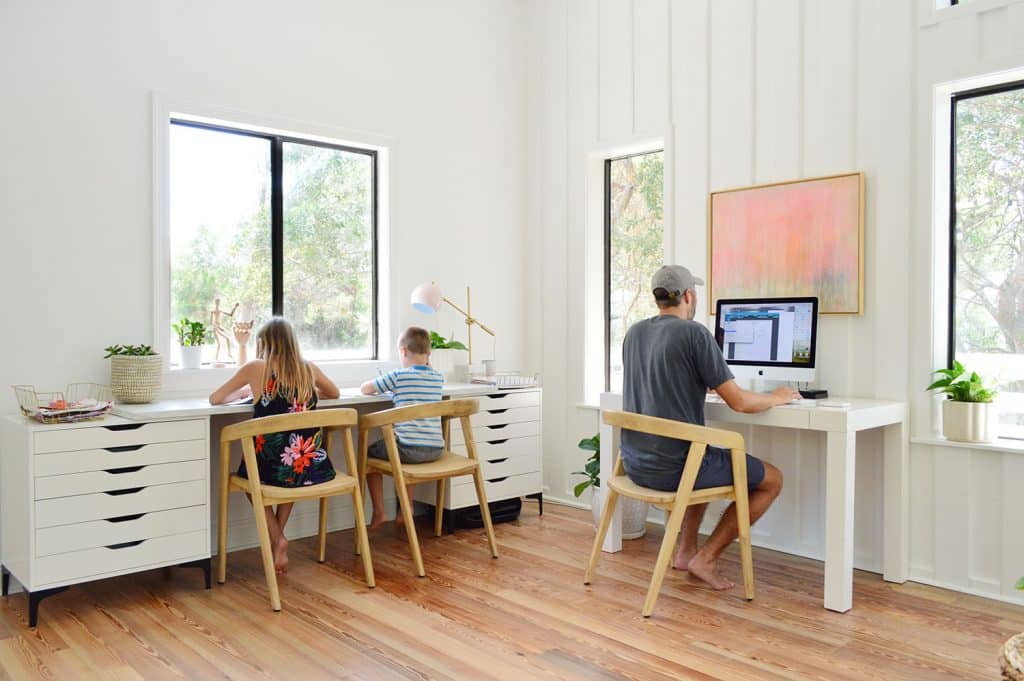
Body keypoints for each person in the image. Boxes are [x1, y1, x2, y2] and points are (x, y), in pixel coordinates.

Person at [621, 265, 798, 591]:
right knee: (772, 480)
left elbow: (661, 383)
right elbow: (740, 404)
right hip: (675, 469)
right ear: (689, 295)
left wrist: (704, 382)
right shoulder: (695, 333)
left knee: (703, 453)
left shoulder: (635, 333)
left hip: (636, 465)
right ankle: (707, 557)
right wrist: (776, 397)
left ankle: (686, 552)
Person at [209, 317, 341, 574]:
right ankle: (276, 540)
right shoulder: (308, 369)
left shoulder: (256, 367)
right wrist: (306, 395)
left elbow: (216, 398)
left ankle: (277, 538)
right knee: (289, 472)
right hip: (309, 466)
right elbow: (334, 393)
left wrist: (244, 394)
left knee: (249, 478)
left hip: (271, 466)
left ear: (263, 343)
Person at [360, 327, 445, 529]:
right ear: (429, 353)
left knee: (367, 454)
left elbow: (366, 389)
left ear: (403, 351)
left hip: (408, 450)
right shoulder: (438, 378)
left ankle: (379, 512)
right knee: (410, 448)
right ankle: (406, 509)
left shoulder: (399, 375)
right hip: (435, 450)